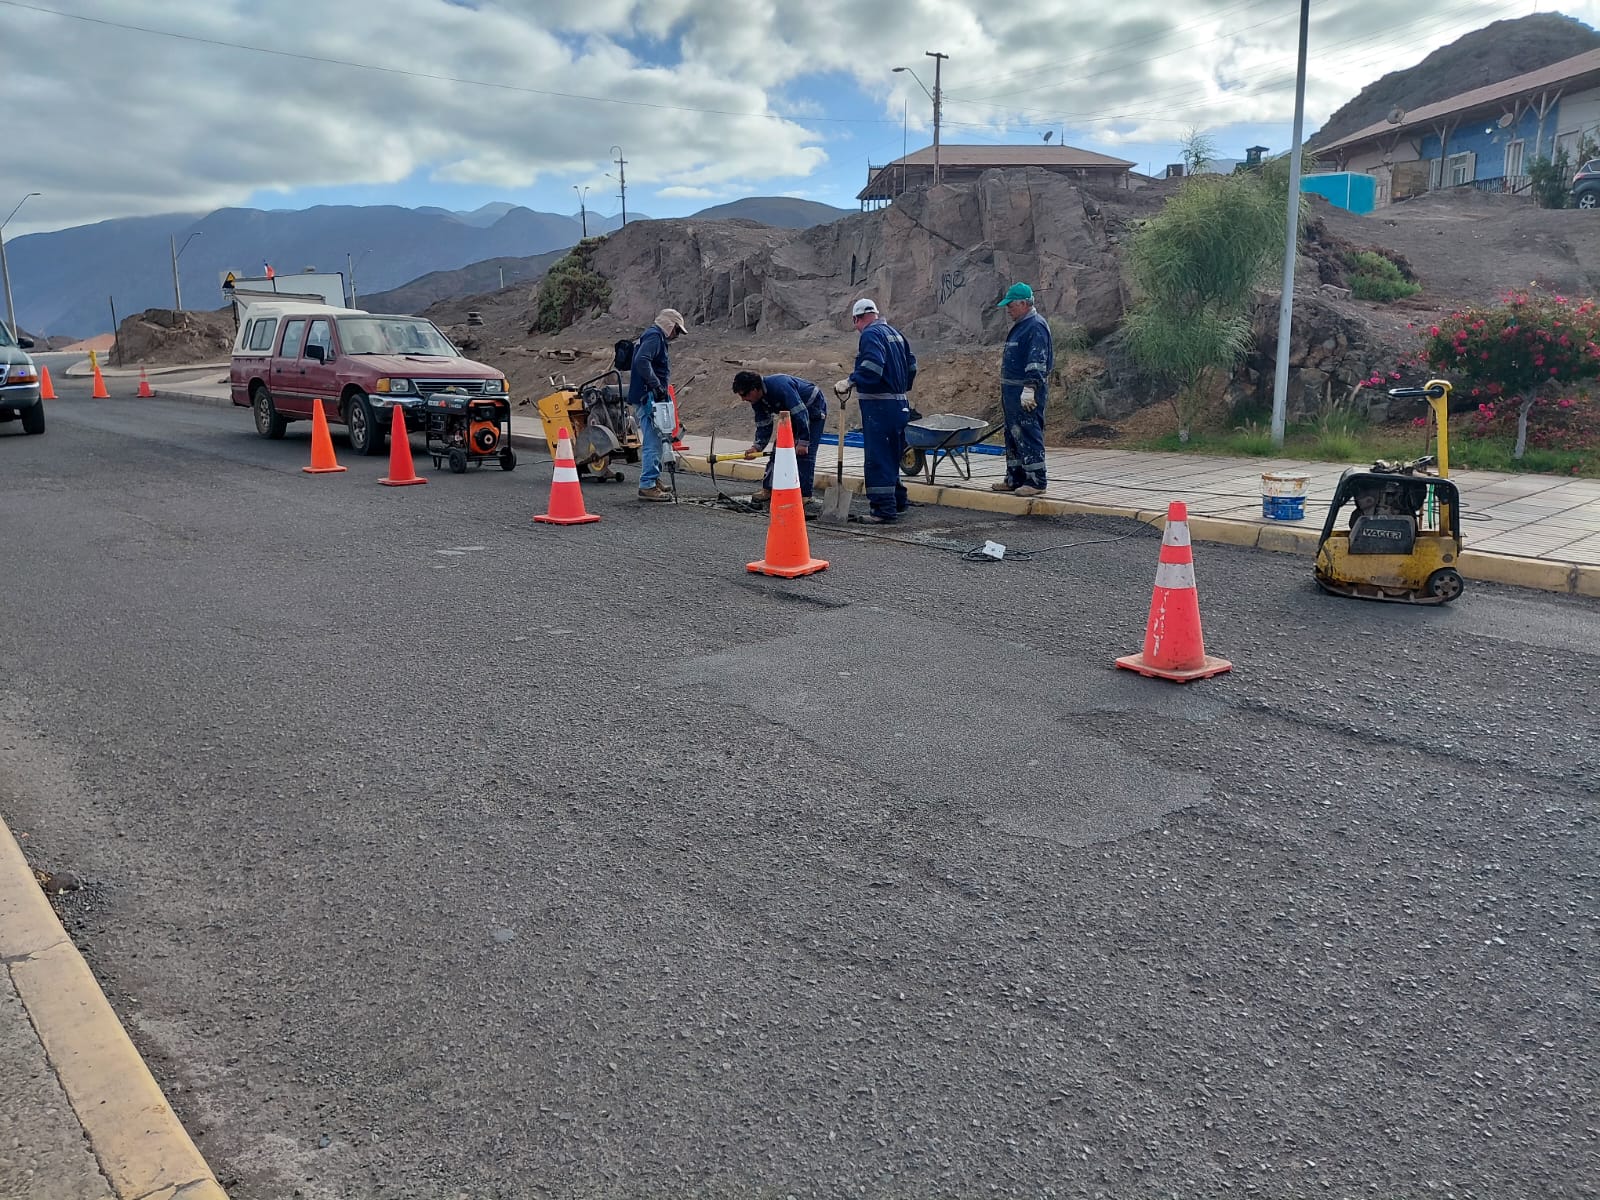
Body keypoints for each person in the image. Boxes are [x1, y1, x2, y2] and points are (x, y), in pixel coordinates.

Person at [835, 298, 916, 524]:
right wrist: (899, 388)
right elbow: (912, 366)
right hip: (899, 404)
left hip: (880, 407)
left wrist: (851, 381)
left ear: (857, 319)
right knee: (891, 456)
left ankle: (883, 510)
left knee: (878, 457)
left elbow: (872, 368)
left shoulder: (870, 335)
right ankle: (898, 501)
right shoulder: (895, 333)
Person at [992, 282, 1054, 496]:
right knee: (1012, 434)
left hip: (1025, 394)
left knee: (1028, 433)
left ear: (1024, 304)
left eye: (1011, 305)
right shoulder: (1021, 325)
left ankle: (1036, 481)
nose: (1008, 309)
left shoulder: (1035, 326)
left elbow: (1037, 362)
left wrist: (1030, 389)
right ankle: (1014, 477)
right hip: (1011, 395)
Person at [731, 370, 827, 506]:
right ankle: (768, 489)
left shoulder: (780, 386)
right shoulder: (757, 400)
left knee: (805, 453)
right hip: (792, 413)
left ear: (754, 389)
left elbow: (801, 413)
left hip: (812, 408)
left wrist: (803, 441)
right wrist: (756, 447)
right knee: (778, 451)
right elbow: (764, 424)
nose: (743, 399)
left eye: (744, 395)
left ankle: (805, 494)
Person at [626, 308, 689, 502]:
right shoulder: (654, 337)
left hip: (650, 395)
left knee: (659, 438)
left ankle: (653, 478)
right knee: (654, 440)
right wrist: (655, 385)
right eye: (677, 330)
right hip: (648, 396)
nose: (677, 335)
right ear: (669, 325)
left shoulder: (654, 337)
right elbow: (642, 361)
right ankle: (647, 485)